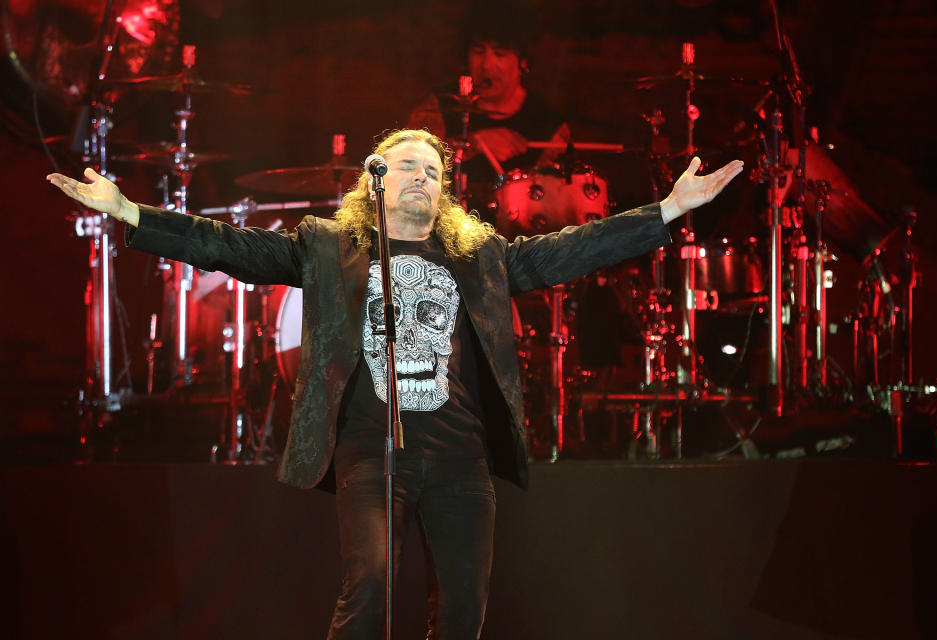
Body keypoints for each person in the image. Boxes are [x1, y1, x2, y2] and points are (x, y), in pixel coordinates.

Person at [47, 128, 743, 639]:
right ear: (374, 179)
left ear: (446, 190)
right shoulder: (329, 247)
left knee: (465, 608)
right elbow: (229, 248)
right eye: (407, 165)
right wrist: (132, 213)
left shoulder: (482, 256)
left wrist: (669, 212)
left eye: (434, 170)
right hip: (369, 452)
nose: (422, 177)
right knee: (372, 586)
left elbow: (572, 250)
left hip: (461, 458)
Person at [406, 1, 570, 220]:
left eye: (500, 54)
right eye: (478, 51)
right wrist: (474, 144)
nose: (487, 65)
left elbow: (556, 206)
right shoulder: (438, 105)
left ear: (523, 62)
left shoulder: (549, 125)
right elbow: (405, 167)